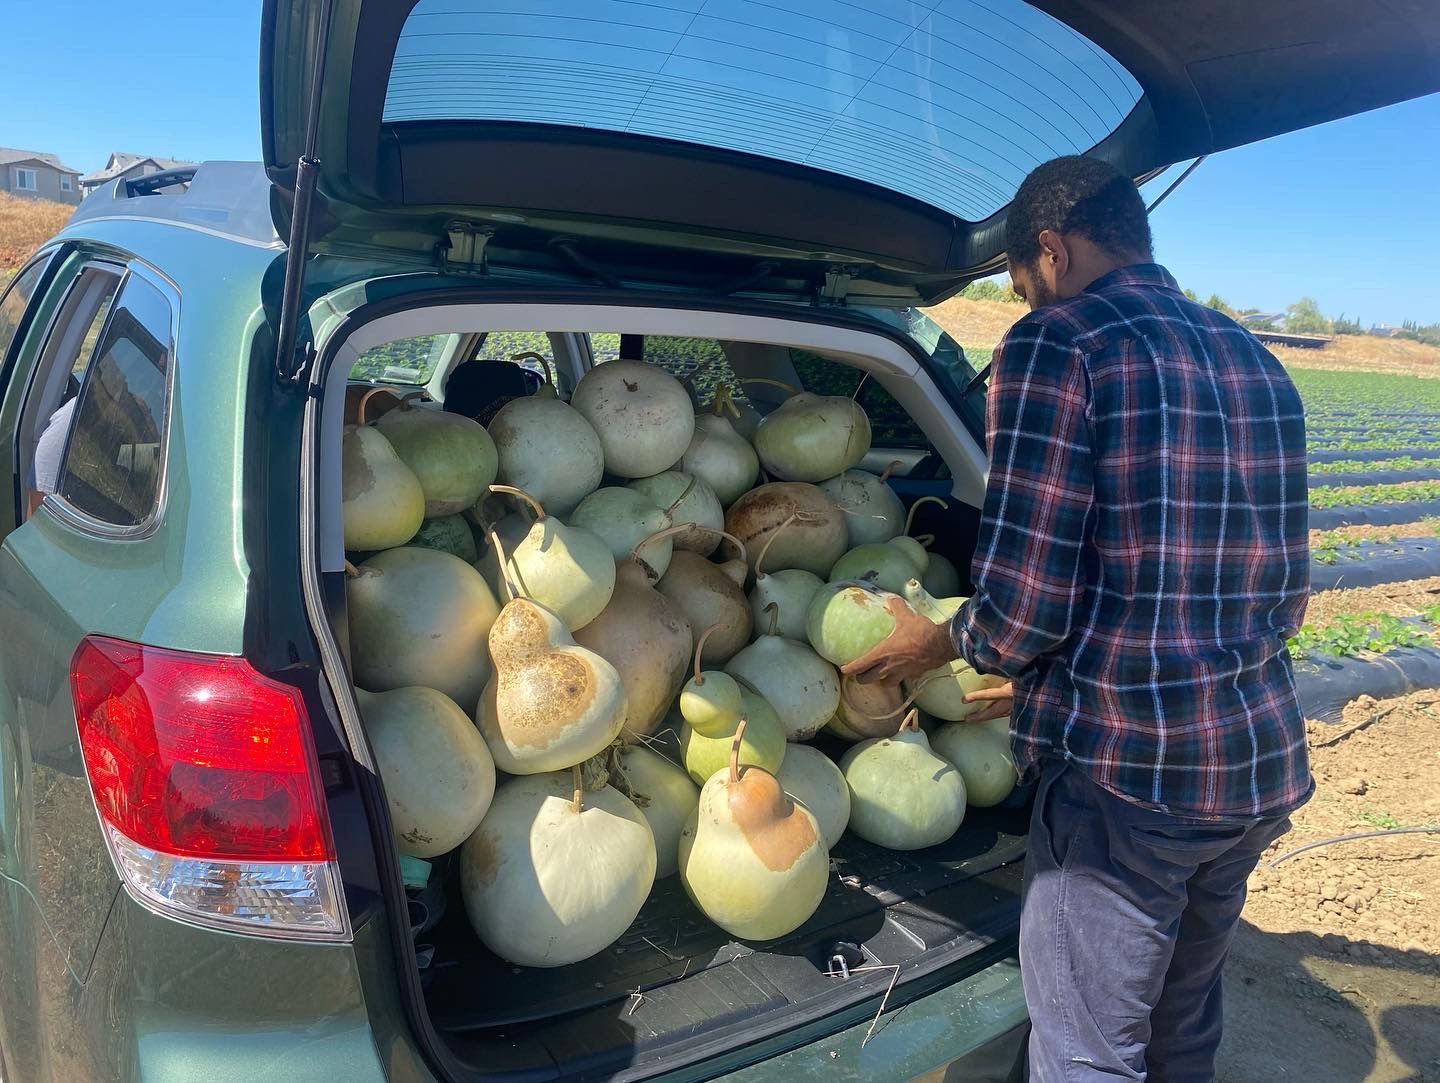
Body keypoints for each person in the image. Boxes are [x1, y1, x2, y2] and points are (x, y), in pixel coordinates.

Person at [845, 156, 1311, 1082]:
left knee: (1088, 1053)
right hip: (1253, 763)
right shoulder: (1256, 359)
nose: (1024, 305)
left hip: (1129, 781)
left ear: (1049, 250)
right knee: (1180, 1026)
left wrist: (938, 642)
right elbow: (1278, 592)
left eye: (1019, 285)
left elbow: (1024, 603)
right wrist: (1047, 665)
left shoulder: (1059, 342)